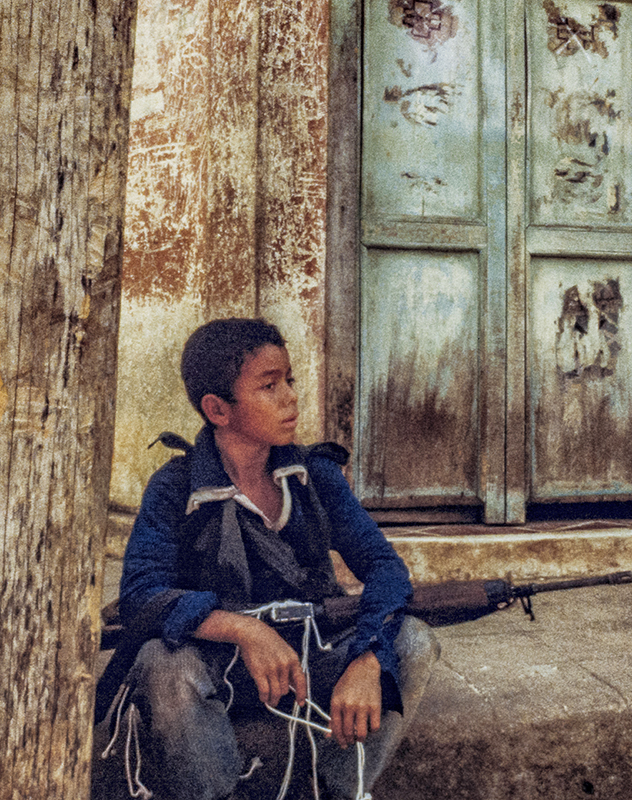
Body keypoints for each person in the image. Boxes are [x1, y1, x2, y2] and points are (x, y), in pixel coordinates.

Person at [95, 318, 437, 800]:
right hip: (218, 665)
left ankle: (338, 789)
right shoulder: (175, 487)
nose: (291, 398)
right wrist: (244, 629)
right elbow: (140, 596)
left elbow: (384, 567)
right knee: (162, 665)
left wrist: (367, 656)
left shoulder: (315, 477)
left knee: (413, 642)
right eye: (269, 386)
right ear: (218, 409)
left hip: (307, 658)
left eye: (290, 381)